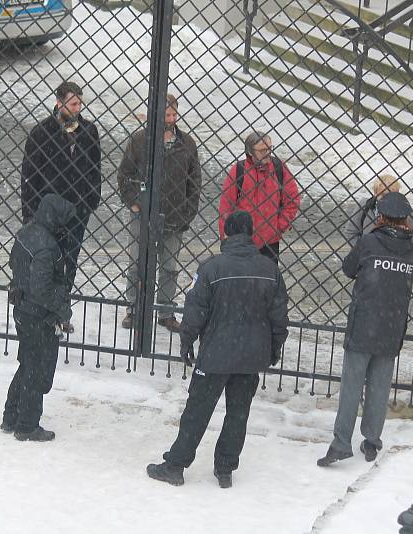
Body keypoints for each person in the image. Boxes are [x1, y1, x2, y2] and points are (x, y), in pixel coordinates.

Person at [147, 211, 289, 488]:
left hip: (215, 354)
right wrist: (273, 348)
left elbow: (195, 311)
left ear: (225, 233)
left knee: (197, 411)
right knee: (238, 412)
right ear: (251, 234)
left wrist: (187, 341)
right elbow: (279, 318)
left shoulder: (211, 268)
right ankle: (225, 468)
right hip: (250, 355)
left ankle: (176, 465)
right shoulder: (269, 270)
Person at [318, 192, 413, 467]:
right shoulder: (411, 250)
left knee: (352, 386)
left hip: (364, 323)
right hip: (392, 325)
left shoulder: (369, 242)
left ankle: (341, 443)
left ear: (381, 216)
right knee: (379, 387)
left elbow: (349, 269)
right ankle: (372, 440)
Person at [20, 80, 102, 333]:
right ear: (59, 102)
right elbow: (30, 174)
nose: (78, 108)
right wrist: (31, 212)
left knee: (70, 261)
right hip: (47, 213)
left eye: (80, 103)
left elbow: (94, 168)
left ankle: (62, 311)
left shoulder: (88, 131)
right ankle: (44, 310)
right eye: (73, 103)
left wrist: (90, 200)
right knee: (47, 262)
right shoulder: (42, 132)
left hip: (77, 210)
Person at [117, 93, 202, 333]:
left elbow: (194, 182)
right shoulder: (140, 140)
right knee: (137, 262)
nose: (172, 119)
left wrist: (187, 213)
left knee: (169, 266)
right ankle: (134, 308)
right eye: (167, 115)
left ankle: (165, 311)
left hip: (174, 214)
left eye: (174, 114)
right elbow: (125, 175)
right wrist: (134, 203)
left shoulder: (187, 144)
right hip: (143, 213)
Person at [3, 193, 75, 442]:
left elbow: (17, 266)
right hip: (37, 314)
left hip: (23, 309)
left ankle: (11, 415)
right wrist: (62, 309)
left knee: (27, 364)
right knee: (37, 369)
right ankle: (27, 425)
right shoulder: (47, 246)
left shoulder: (27, 233)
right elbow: (42, 288)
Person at [218, 131, 301, 263]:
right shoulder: (238, 170)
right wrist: (226, 238)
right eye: (262, 150)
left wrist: (279, 226)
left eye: (269, 148)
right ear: (250, 152)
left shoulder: (279, 167)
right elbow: (226, 206)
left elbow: (293, 199)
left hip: (270, 242)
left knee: (267, 281)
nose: (267, 152)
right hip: (241, 240)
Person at [345, 174, 413, 248]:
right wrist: (363, 251)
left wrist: (400, 256)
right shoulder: (365, 205)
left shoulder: (406, 211)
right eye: (384, 195)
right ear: (375, 193)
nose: (389, 199)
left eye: (394, 195)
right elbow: (351, 232)